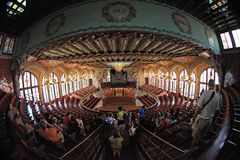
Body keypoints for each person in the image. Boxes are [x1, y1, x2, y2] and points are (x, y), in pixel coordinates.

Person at [191, 79, 220, 148]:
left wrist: (194, 117)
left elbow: (198, 107)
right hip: (210, 119)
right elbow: (217, 109)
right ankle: (199, 148)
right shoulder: (217, 95)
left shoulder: (205, 93)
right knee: (203, 134)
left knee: (196, 135)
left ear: (208, 84)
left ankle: (191, 151)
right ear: (214, 85)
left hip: (203, 119)